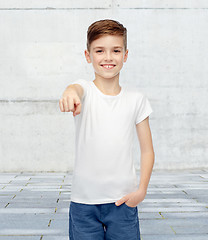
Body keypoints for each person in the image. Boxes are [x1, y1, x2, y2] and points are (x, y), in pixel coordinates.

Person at [59, 19, 155, 240]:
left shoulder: (136, 99)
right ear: (88, 55)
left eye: (116, 50)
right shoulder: (84, 90)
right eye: (100, 50)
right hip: (84, 204)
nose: (108, 57)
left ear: (126, 55)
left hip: (123, 202)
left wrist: (141, 191)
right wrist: (69, 92)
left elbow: (147, 150)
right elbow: (75, 88)